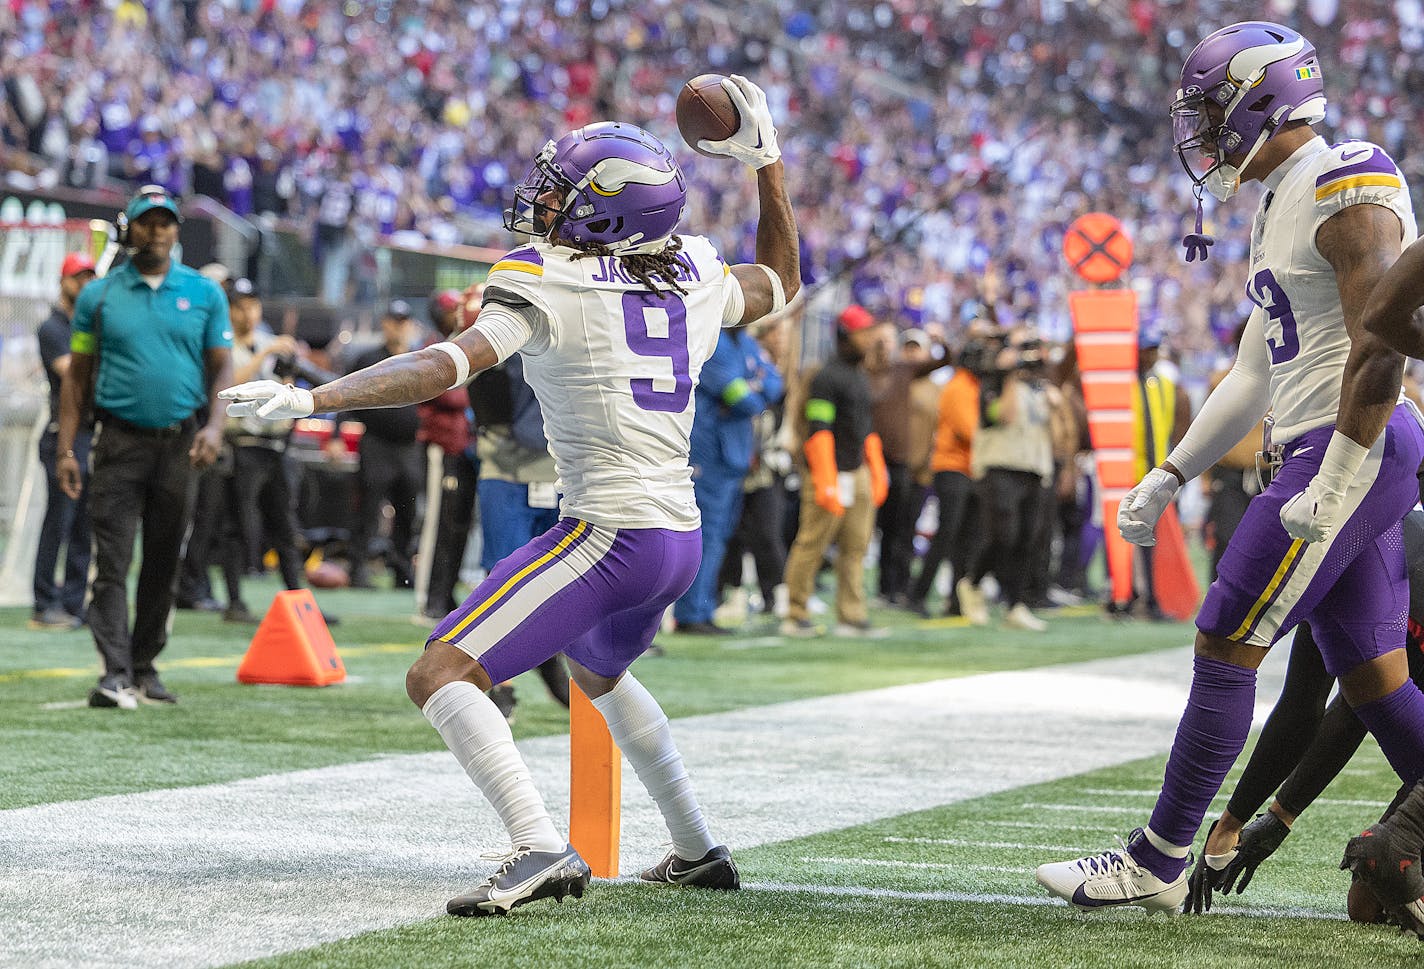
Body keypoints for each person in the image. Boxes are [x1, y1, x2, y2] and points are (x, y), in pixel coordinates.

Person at [221, 80, 797, 916]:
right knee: (599, 668)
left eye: (562, 193)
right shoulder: (697, 271)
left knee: (438, 671)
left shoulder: (548, 276)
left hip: (608, 533)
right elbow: (781, 278)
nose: (544, 202)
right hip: (677, 536)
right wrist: (766, 166)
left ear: (608, 213)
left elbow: (444, 365)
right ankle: (697, 847)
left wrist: (315, 398)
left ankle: (537, 846)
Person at [1036, 22, 1424, 914]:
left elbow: (1380, 346)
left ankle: (1159, 856)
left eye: (1211, 113)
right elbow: (1254, 372)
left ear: (1262, 102)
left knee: (1224, 636)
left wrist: (1335, 478)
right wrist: (1170, 471)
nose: (1201, 135)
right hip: (1329, 441)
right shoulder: (1279, 197)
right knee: (1374, 680)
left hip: (1350, 441)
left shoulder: (1345, 175)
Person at [1183, 515, 1424, 918]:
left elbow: (1320, 708)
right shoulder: (1359, 538)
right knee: (1368, 905)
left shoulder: (1333, 548)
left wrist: (1249, 820)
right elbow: (1336, 707)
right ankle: (1397, 841)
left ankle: (1397, 840)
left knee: (1374, 901)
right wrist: (1261, 819)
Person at [56, 184, 233, 708]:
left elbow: (221, 367)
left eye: (165, 222)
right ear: (129, 228)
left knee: (164, 560)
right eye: (146, 222)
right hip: (117, 443)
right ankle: (114, 671)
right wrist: (67, 447)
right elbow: (76, 379)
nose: (156, 231)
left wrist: (215, 427)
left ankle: (145, 665)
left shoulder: (204, 293)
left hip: (181, 443)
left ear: (176, 229)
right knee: (110, 561)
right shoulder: (99, 295)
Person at [780, 305, 890, 638]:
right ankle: (795, 613)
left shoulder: (859, 375)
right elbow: (819, 428)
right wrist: (825, 478)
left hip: (856, 473)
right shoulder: (826, 376)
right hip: (829, 474)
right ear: (844, 336)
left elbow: (864, 427)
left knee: (856, 548)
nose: (871, 340)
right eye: (864, 333)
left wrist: (874, 468)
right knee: (812, 544)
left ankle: (851, 615)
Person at [673, 324, 784, 634]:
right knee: (704, 536)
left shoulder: (746, 343)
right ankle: (690, 613)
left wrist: (753, 389)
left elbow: (775, 384)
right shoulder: (710, 340)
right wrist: (754, 388)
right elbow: (741, 398)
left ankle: (704, 608)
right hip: (709, 455)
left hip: (735, 455)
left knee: (719, 537)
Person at [966, 325, 1056, 632]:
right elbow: (1002, 416)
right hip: (1000, 466)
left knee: (1027, 539)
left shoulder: (1043, 390)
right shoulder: (993, 382)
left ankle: (1015, 604)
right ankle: (973, 583)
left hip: (1034, 467)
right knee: (1003, 534)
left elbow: (1059, 436)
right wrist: (1008, 376)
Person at [908, 323, 993, 619]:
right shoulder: (958, 386)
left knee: (968, 538)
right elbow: (969, 430)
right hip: (952, 468)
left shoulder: (975, 386)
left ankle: (955, 600)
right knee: (947, 533)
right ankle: (918, 594)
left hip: (970, 469)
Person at [31, 252, 97, 631]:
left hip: (90, 433)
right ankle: (44, 602)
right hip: (62, 436)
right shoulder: (52, 327)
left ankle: (74, 602)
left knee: (85, 524)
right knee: (59, 519)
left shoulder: (85, 326)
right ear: (65, 282)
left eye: (90, 278)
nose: (85, 284)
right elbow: (72, 371)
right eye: (79, 278)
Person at [866, 325, 950, 607]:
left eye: (917, 347)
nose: (912, 353)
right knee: (887, 528)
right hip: (891, 461)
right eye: (908, 347)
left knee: (907, 530)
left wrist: (944, 343)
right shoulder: (894, 376)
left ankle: (901, 585)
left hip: (919, 468)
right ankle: (885, 586)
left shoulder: (934, 387)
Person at [342, 301, 423, 589]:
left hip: (410, 447)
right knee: (367, 510)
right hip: (376, 443)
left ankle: (402, 570)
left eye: (403, 321)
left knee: (408, 512)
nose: (398, 327)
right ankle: (358, 568)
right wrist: (337, 437)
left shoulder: (420, 359)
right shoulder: (370, 359)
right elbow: (346, 397)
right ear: (385, 323)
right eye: (394, 321)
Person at [418, 288, 479, 620]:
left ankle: (446, 592)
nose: (458, 315)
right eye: (452, 310)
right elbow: (453, 397)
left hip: (463, 451)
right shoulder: (436, 350)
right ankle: (429, 597)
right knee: (437, 528)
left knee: (458, 527)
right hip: (440, 449)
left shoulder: (466, 348)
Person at [1129, 323, 1192, 621]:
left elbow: (1176, 428)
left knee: (1150, 541)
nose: (1150, 355)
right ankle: (1129, 598)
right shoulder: (1124, 384)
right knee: (1128, 541)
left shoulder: (1164, 385)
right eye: (1146, 349)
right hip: (1129, 475)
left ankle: (1151, 599)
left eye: (1154, 350)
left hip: (1155, 476)